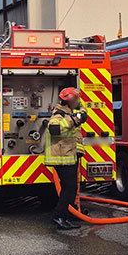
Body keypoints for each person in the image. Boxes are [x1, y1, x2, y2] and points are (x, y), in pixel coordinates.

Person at [44, 86, 88, 230]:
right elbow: (54, 129)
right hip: (62, 158)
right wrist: (73, 121)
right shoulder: (59, 114)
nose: (78, 102)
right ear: (69, 101)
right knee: (69, 188)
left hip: (68, 157)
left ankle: (67, 214)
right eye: (76, 100)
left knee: (71, 188)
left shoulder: (69, 112)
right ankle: (59, 216)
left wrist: (79, 113)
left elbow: (82, 113)